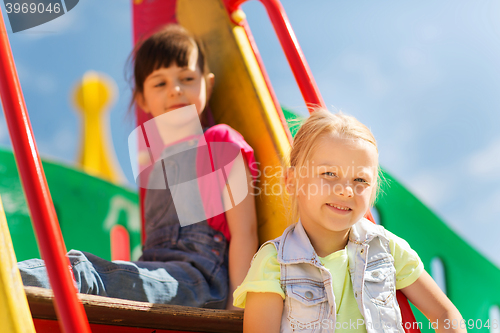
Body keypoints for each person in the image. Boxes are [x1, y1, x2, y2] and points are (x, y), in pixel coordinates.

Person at [18, 24, 258, 310]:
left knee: (82, 273)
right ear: (143, 98)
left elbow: (246, 232)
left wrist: (238, 311)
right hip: (161, 277)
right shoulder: (154, 168)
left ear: (208, 83)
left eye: (187, 78)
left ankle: (10, 279)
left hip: (200, 283)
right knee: (93, 272)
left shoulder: (218, 141)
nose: (176, 90)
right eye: (160, 83)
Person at [234, 109, 466, 332]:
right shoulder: (274, 263)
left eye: (360, 180)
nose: (346, 190)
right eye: (329, 174)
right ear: (292, 181)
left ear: (373, 191)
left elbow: (446, 316)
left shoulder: (387, 248)